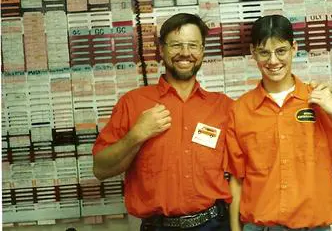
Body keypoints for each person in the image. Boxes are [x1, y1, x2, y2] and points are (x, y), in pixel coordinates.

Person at [226, 15, 332, 231]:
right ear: (253, 52)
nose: (273, 61)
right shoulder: (240, 110)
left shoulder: (321, 102)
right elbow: (237, 182)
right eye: (264, 52)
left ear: (294, 48)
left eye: (281, 51)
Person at [92, 13, 232, 231]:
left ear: (203, 50)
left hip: (215, 224)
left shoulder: (223, 106)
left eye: (193, 45)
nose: (185, 53)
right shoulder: (133, 102)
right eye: (176, 45)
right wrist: (137, 134)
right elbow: (100, 169)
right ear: (162, 49)